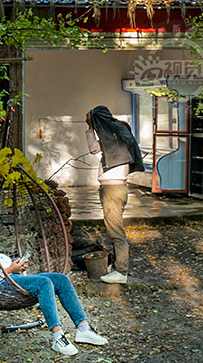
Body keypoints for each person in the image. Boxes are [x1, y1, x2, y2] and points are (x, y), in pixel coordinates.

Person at [0, 217, 107, 357]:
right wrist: (10, 270)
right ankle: (58, 337)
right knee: (43, 283)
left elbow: (15, 275)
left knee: (61, 279)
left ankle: (83, 329)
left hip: (12, 282)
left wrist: (19, 268)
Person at [85, 105, 145, 285]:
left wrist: (89, 128)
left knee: (115, 230)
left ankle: (121, 272)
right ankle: (118, 266)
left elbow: (93, 149)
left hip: (112, 190)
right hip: (117, 188)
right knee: (114, 229)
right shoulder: (119, 132)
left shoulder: (110, 138)